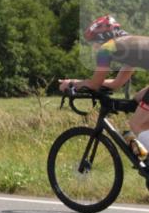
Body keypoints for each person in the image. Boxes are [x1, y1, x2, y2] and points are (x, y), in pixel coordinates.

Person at [59, 15, 149, 160]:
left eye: (93, 42)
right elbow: (116, 84)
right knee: (137, 99)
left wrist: (72, 83)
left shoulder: (107, 48)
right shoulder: (130, 44)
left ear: (101, 37)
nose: (94, 47)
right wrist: (80, 82)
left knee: (136, 124)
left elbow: (94, 84)